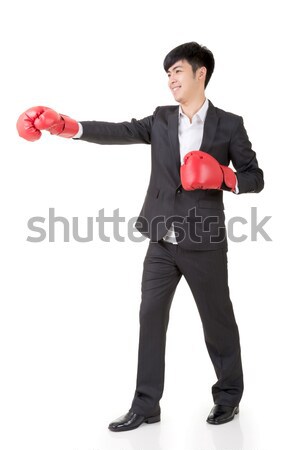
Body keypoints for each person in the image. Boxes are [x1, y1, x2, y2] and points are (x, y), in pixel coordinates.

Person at [16, 42, 264, 431]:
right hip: (161, 240)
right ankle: (146, 404)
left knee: (216, 321)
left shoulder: (229, 124)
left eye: (177, 71)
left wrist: (226, 176)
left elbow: (255, 177)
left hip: (204, 242)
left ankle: (229, 397)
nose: (171, 79)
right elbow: (119, 131)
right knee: (150, 317)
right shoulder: (162, 119)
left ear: (201, 74)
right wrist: (68, 127)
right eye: (167, 73)